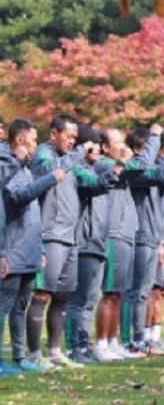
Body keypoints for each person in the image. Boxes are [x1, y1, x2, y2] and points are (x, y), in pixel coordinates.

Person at [26, 114, 92, 369]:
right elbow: (49, 172)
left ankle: (55, 351)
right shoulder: (43, 154)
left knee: (63, 295)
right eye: (70, 136)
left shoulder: (72, 161)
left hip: (71, 237)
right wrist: (77, 156)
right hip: (50, 235)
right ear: (54, 134)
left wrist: (110, 175)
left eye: (76, 138)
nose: (74, 142)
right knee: (42, 294)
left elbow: (87, 182)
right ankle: (33, 355)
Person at [0, 118, 64, 374]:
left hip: (28, 252)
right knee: (3, 307)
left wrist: (39, 249)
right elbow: (18, 195)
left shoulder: (25, 168)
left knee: (20, 307)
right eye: (34, 139)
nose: (37, 145)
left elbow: (33, 215)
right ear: (19, 139)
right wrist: (49, 179)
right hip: (11, 251)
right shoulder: (8, 166)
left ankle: (18, 357)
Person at [92, 126, 161, 362]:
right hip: (113, 233)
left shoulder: (122, 167)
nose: (123, 148)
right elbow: (140, 164)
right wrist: (154, 137)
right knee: (109, 293)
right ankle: (100, 343)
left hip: (126, 233)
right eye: (118, 143)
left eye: (124, 142)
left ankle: (112, 341)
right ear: (104, 147)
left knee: (118, 294)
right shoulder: (103, 164)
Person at [123, 127, 164, 355]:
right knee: (134, 292)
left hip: (151, 236)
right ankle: (129, 340)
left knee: (144, 291)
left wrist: (159, 241)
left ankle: (140, 339)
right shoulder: (135, 171)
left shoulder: (153, 169)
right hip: (138, 235)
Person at [64, 124, 119, 364]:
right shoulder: (77, 169)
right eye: (93, 148)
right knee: (78, 300)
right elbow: (93, 185)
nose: (97, 154)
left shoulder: (94, 169)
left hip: (97, 242)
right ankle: (71, 346)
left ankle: (83, 346)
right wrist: (117, 168)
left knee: (89, 301)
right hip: (83, 242)